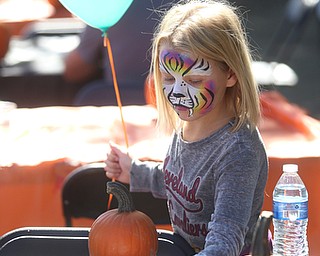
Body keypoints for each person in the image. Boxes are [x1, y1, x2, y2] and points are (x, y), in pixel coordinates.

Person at [105, 0, 269, 255]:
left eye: (194, 80)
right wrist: (134, 171)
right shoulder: (188, 121)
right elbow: (184, 184)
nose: (178, 92)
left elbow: (226, 239)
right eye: (169, 78)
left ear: (231, 74)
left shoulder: (238, 150)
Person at [63, 0, 177, 106]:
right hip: (176, 104)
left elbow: (74, 70)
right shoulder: (190, 7)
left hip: (119, 103)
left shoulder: (107, 6)